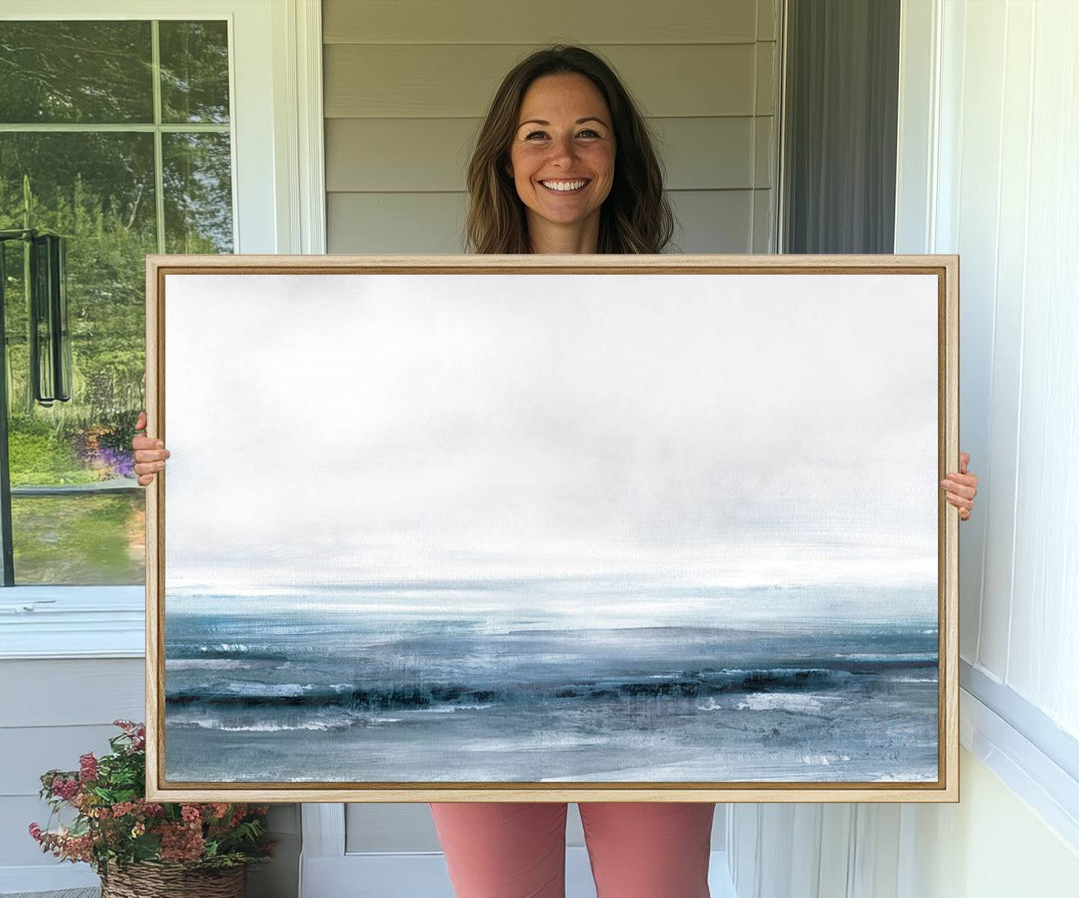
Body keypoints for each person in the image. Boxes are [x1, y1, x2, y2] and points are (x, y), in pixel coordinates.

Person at [133, 45, 979, 898]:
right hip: (473, 666)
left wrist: (911, 495)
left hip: (655, 672)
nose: (563, 157)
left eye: (588, 134)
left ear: (619, 158)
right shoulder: (442, 322)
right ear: (506, 158)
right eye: (537, 135)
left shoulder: (700, 315)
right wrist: (192, 465)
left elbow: (781, 462)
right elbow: (334, 457)